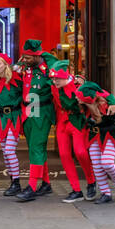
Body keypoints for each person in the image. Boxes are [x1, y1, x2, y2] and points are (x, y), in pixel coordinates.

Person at [46, 59, 99, 204]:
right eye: (53, 78)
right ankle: (76, 190)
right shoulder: (53, 86)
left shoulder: (78, 86)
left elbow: (101, 94)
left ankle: (91, 181)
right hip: (62, 122)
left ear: (66, 76)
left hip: (77, 121)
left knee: (80, 152)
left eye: (58, 78)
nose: (55, 81)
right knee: (64, 154)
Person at [14, 39, 58, 201]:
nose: (24, 60)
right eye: (23, 57)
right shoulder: (26, 66)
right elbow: (14, 71)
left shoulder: (49, 66)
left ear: (37, 55)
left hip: (42, 111)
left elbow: (61, 78)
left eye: (28, 58)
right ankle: (46, 183)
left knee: (36, 148)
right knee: (35, 147)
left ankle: (32, 187)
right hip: (27, 110)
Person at [0, 53, 25, 196]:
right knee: (5, 152)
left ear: (6, 65)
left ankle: (16, 182)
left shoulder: (16, 79)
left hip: (13, 118)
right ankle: (12, 182)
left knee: (9, 150)